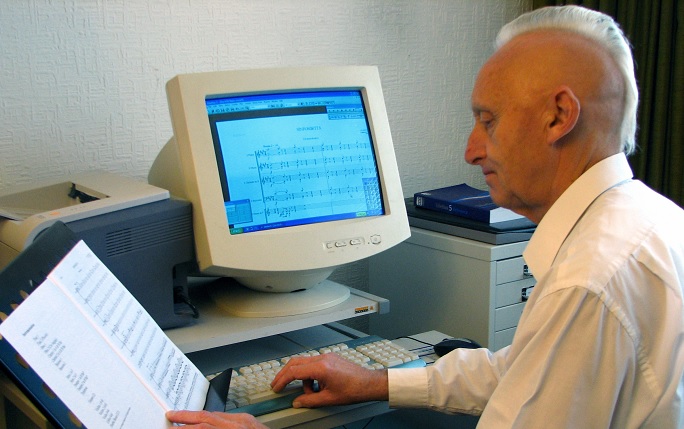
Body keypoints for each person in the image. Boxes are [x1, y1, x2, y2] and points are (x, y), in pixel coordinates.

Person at [167, 5, 684, 428]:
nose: (471, 150)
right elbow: (523, 373)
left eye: (488, 120)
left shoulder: (588, 282)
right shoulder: (647, 221)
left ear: (559, 116)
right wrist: (378, 381)